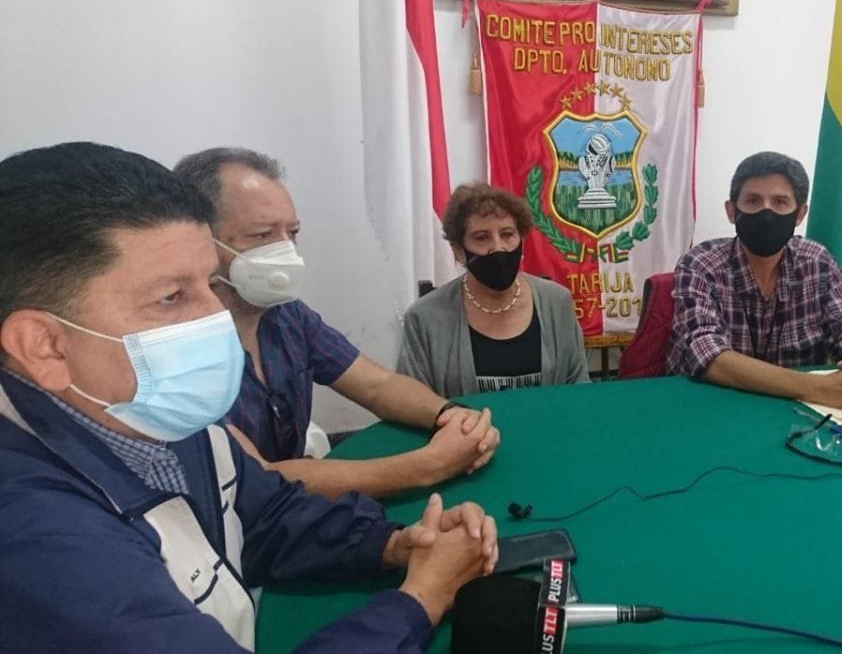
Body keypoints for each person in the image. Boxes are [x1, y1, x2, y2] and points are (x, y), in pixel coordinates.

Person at [0, 142, 498, 652]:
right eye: (172, 297)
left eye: (207, 281)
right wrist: (420, 598)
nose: (216, 316)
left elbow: (264, 514)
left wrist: (391, 543)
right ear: (43, 346)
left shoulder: (154, 415)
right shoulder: (42, 542)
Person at [175, 148, 499, 500]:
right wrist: (431, 464)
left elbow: (377, 385)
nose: (287, 252)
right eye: (263, 235)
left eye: (292, 233)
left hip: (298, 514)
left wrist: (452, 416)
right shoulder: (176, 353)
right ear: (199, 242)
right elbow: (260, 478)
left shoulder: (288, 316)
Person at [666, 151, 842, 411]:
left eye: (780, 202)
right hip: (708, 407)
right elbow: (707, 354)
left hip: (793, 412)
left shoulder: (816, 261)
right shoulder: (700, 264)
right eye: (753, 201)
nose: (767, 212)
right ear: (731, 211)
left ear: (800, 214)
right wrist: (818, 388)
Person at [399, 183, 589, 396]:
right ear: (458, 250)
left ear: (521, 240)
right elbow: (411, 400)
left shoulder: (557, 301)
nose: (498, 247)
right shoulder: (424, 318)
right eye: (482, 237)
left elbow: (579, 387)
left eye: (507, 234)